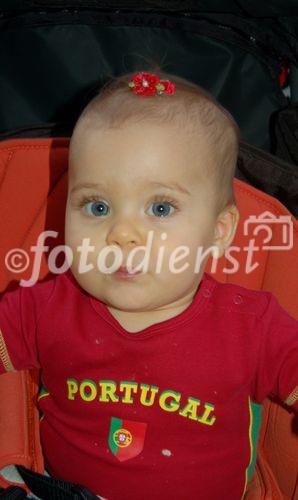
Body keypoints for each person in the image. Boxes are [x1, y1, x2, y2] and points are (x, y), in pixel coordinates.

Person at [0, 70, 297, 500]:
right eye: (97, 206)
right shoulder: (46, 308)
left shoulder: (251, 325)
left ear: (218, 231)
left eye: (160, 207)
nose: (123, 233)